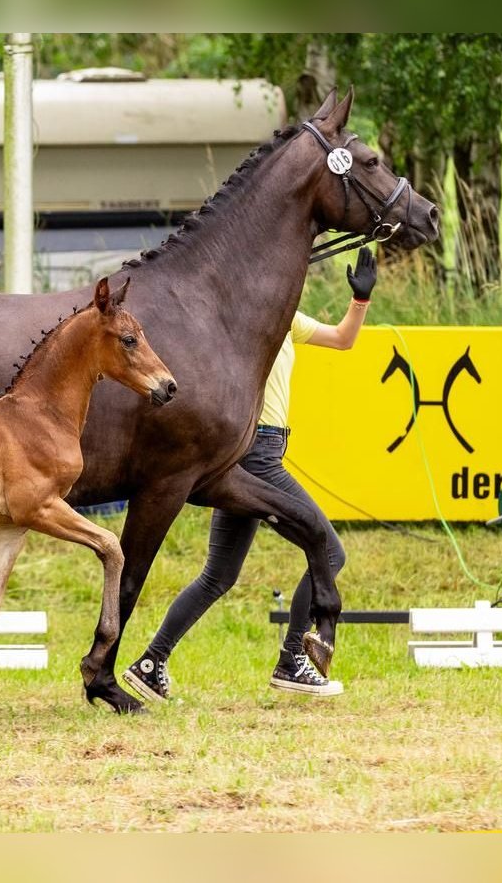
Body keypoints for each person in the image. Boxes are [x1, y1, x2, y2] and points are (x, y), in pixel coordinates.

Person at [122, 247, 377, 700]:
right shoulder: (238, 322)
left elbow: (342, 339)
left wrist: (360, 300)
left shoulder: (287, 319)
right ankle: (293, 661)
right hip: (255, 453)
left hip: (257, 450)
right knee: (328, 551)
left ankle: (150, 662)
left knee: (218, 576)